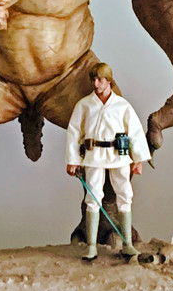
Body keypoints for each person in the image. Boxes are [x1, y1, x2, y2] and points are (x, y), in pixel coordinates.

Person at [65, 63, 151, 261]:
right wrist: (73, 160)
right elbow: (74, 132)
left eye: (100, 80)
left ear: (109, 81)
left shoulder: (122, 105)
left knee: (125, 194)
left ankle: (128, 244)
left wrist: (138, 159)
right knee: (93, 197)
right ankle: (91, 246)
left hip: (118, 155)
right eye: (94, 80)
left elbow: (135, 132)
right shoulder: (85, 105)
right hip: (94, 155)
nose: (96, 84)